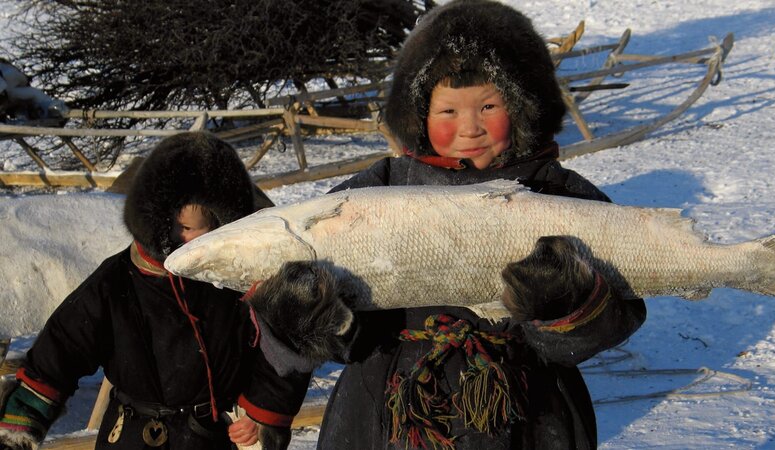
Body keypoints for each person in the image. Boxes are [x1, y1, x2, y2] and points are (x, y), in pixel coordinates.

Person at [250, 1, 647, 449]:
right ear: (418, 115)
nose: (470, 127)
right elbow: (324, 300)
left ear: (523, 107)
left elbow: (615, 309)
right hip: (386, 407)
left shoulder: (558, 195)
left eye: (489, 105)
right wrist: (314, 313)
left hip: (523, 410)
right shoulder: (377, 191)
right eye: (448, 112)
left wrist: (562, 301)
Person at [0, 131, 309, 450]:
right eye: (177, 226)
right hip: (132, 434)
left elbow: (284, 343)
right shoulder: (119, 279)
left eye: (197, 228)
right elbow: (64, 344)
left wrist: (261, 412)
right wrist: (22, 416)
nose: (183, 238)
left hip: (210, 436)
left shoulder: (239, 277)